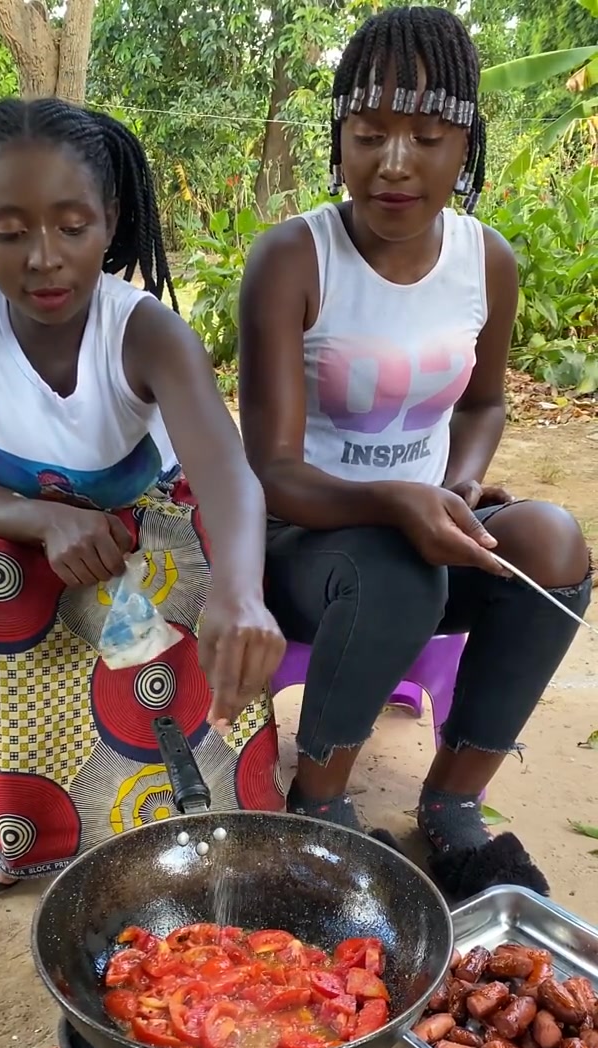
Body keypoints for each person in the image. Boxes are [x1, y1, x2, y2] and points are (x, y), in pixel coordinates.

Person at [238, 5, 592, 900]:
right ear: (339, 139)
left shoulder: (488, 261)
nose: (395, 163)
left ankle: (453, 809)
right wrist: (399, 501)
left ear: (465, 144)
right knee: (398, 567)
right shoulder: (294, 258)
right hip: (305, 546)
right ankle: (317, 807)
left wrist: (460, 485)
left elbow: (483, 402)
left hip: (431, 532)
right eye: (369, 135)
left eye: (428, 136)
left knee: (552, 540)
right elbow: (272, 468)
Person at [0, 97, 286, 893]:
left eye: (72, 226)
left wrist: (242, 593)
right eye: (10, 232)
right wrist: (45, 520)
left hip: (136, 527)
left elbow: (226, 473)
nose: (44, 257)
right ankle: (30, 829)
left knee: (198, 580)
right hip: (9, 526)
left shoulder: (146, 330)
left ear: (111, 219)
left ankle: (208, 806)